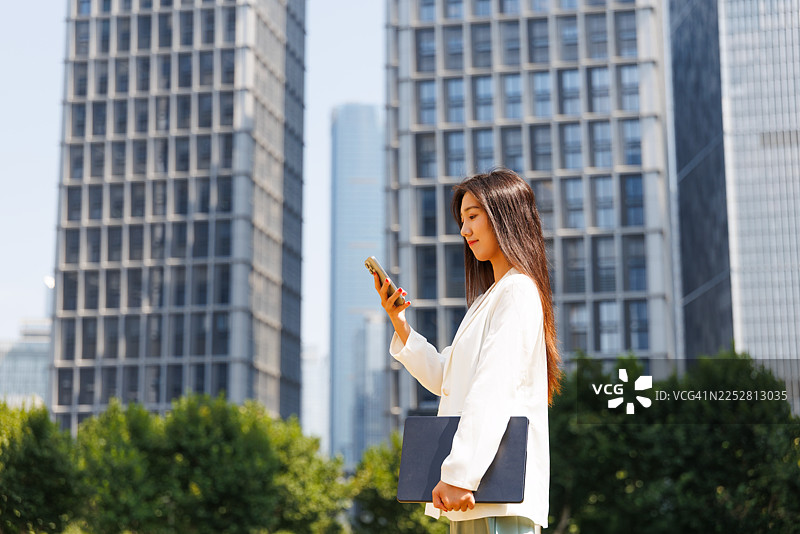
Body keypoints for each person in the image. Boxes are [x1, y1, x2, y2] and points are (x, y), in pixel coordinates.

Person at [373, 169, 561, 534]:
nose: (465, 231)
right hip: (477, 497)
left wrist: (460, 473)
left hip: (493, 499)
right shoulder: (490, 299)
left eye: (473, 216)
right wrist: (400, 322)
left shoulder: (517, 291)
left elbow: (495, 387)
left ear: (505, 216)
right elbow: (448, 379)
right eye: (463, 220)